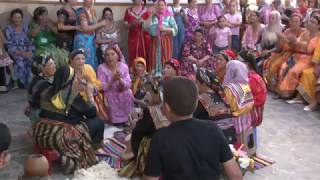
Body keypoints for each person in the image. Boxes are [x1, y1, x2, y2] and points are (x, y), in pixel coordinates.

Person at [143, 77, 242, 180]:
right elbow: (235, 174)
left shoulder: (160, 138)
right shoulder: (213, 129)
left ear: (167, 108)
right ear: (195, 104)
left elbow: (150, 178)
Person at [35, 66, 98, 174]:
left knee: (77, 121)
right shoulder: (72, 95)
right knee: (97, 122)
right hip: (59, 137)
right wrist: (90, 94)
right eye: (75, 78)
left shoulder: (46, 90)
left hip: (41, 133)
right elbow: (92, 113)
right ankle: (89, 151)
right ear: (69, 81)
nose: (77, 80)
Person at [279, 15, 320, 99]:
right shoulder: (305, 33)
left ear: (318, 25)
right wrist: (291, 41)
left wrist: (297, 43)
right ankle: (281, 90)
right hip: (298, 56)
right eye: (309, 21)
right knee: (283, 67)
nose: (310, 23)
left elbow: (310, 50)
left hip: (309, 59)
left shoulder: (318, 37)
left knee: (293, 71)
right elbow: (295, 44)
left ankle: (288, 93)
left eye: (313, 22)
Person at [263, 13, 305, 92]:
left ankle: (282, 90)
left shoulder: (303, 32)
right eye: (293, 21)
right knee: (270, 62)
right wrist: (279, 39)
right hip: (285, 53)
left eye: (297, 21)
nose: (295, 23)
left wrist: (285, 39)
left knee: (282, 66)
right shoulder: (287, 31)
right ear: (290, 22)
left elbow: (297, 47)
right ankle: (271, 86)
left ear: (300, 23)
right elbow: (279, 47)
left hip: (296, 55)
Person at [193, 68, 236, 144]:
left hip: (216, 140)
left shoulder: (203, 98)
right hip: (230, 135)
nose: (194, 85)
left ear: (203, 83)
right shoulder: (220, 94)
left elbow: (191, 117)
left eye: (196, 82)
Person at [97, 47, 133, 126]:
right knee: (110, 96)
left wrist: (120, 80)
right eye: (107, 55)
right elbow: (102, 87)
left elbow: (128, 84)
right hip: (109, 91)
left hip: (122, 90)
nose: (110, 57)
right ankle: (114, 121)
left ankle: (127, 119)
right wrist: (112, 79)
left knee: (128, 92)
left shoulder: (123, 66)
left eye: (112, 54)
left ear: (117, 56)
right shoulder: (101, 68)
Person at [223, 60, 254, 150]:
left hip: (235, 121)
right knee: (244, 140)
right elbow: (250, 103)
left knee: (237, 142)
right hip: (245, 119)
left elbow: (228, 106)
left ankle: (239, 156)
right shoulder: (245, 85)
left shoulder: (230, 88)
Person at [143, 0, 178, 76]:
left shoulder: (169, 16)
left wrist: (165, 29)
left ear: (165, 6)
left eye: (162, 5)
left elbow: (175, 29)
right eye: (159, 5)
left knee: (166, 59)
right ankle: (153, 79)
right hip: (154, 41)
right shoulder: (153, 16)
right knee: (153, 59)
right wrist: (151, 15)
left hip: (166, 41)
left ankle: (166, 76)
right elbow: (145, 27)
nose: (161, 7)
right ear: (156, 6)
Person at [5, 8, 34, 88]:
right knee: (20, 60)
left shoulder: (26, 27)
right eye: (15, 17)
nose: (17, 19)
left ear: (21, 18)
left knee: (30, 59)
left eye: (19, 17)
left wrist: (29, 51)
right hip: (15, 51)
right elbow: (9, 44)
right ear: (11, 18)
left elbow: (30, 41)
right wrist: (21, 53)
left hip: (26, 50)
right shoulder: (8, 29)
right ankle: (22, 82)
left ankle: (29, 82)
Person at [74, 0, 106, 69]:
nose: (91, 1)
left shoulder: (93, 11)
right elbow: (85, 28)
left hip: (91, 39)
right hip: (82, 40)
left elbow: (95, 26)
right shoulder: (81, 11)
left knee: (92, 62)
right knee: (82, 62)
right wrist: (100, 24)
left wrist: (96, 37)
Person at [239, 50, 267, 127]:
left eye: (239, 61)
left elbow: (241, 99)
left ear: (247, 64)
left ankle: (242, 137)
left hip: (253, 115)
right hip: (256, 112)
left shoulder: (251, 79)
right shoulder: (253, 75)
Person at [27, 54, 56, 124]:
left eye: (54, 63)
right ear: (42, 68)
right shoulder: (44, 85)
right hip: (41, 118)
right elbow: (51, 105)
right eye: (50, 64)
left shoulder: (34, 80)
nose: (54, 66)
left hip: (34, 115)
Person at [124, 0, 151, 67]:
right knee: (133, 54)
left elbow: (151, 24)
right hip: (133, 37)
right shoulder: (128, 11)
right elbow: (125, 26)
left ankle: (145, 72)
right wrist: (131, 24)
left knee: (146, 54)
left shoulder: (147, 10)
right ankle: (133, 73)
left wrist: (143, 22)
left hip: (145, 37)